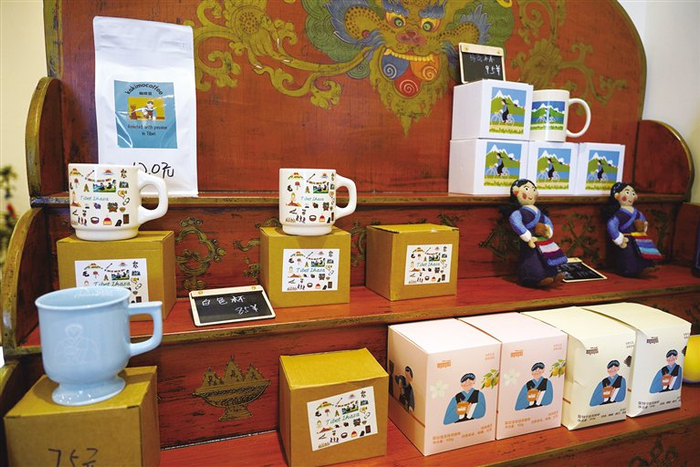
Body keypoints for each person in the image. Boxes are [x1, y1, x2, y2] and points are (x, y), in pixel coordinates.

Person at [505, 179, 566, 287]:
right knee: (532, 258)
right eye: (527, 189)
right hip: (530, 242)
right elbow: (515, 221)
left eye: (533, 189)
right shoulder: (519, 212)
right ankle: (534, 277)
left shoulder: (539, 212)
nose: (531, 192)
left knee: (547, 257)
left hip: (541, 241)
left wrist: (547, 230)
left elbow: (547, 221)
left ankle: (552, 274)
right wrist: (525, 234)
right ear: (516, 192)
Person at [605, 182, 659, 277]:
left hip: (638, 239)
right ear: (617, 196)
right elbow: (611, 225)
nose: (631, 195)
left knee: (641, 253)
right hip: (627, 240)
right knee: (628, 255)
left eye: (633, 193)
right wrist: (618, 237)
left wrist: (643, 226)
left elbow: (642, 220)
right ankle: (629, 271)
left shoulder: (637, 212)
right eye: (627, 192)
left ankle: (644, 267)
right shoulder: (619, 214)